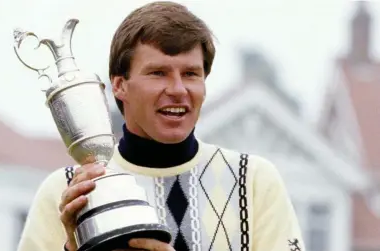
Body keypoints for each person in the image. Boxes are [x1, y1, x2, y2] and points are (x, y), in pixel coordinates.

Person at [17, 1, 306, 251]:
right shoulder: (66, 192)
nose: (178, 89)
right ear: (119, 85)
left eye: (191, 73)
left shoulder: (253, 181)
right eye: (158, 73)